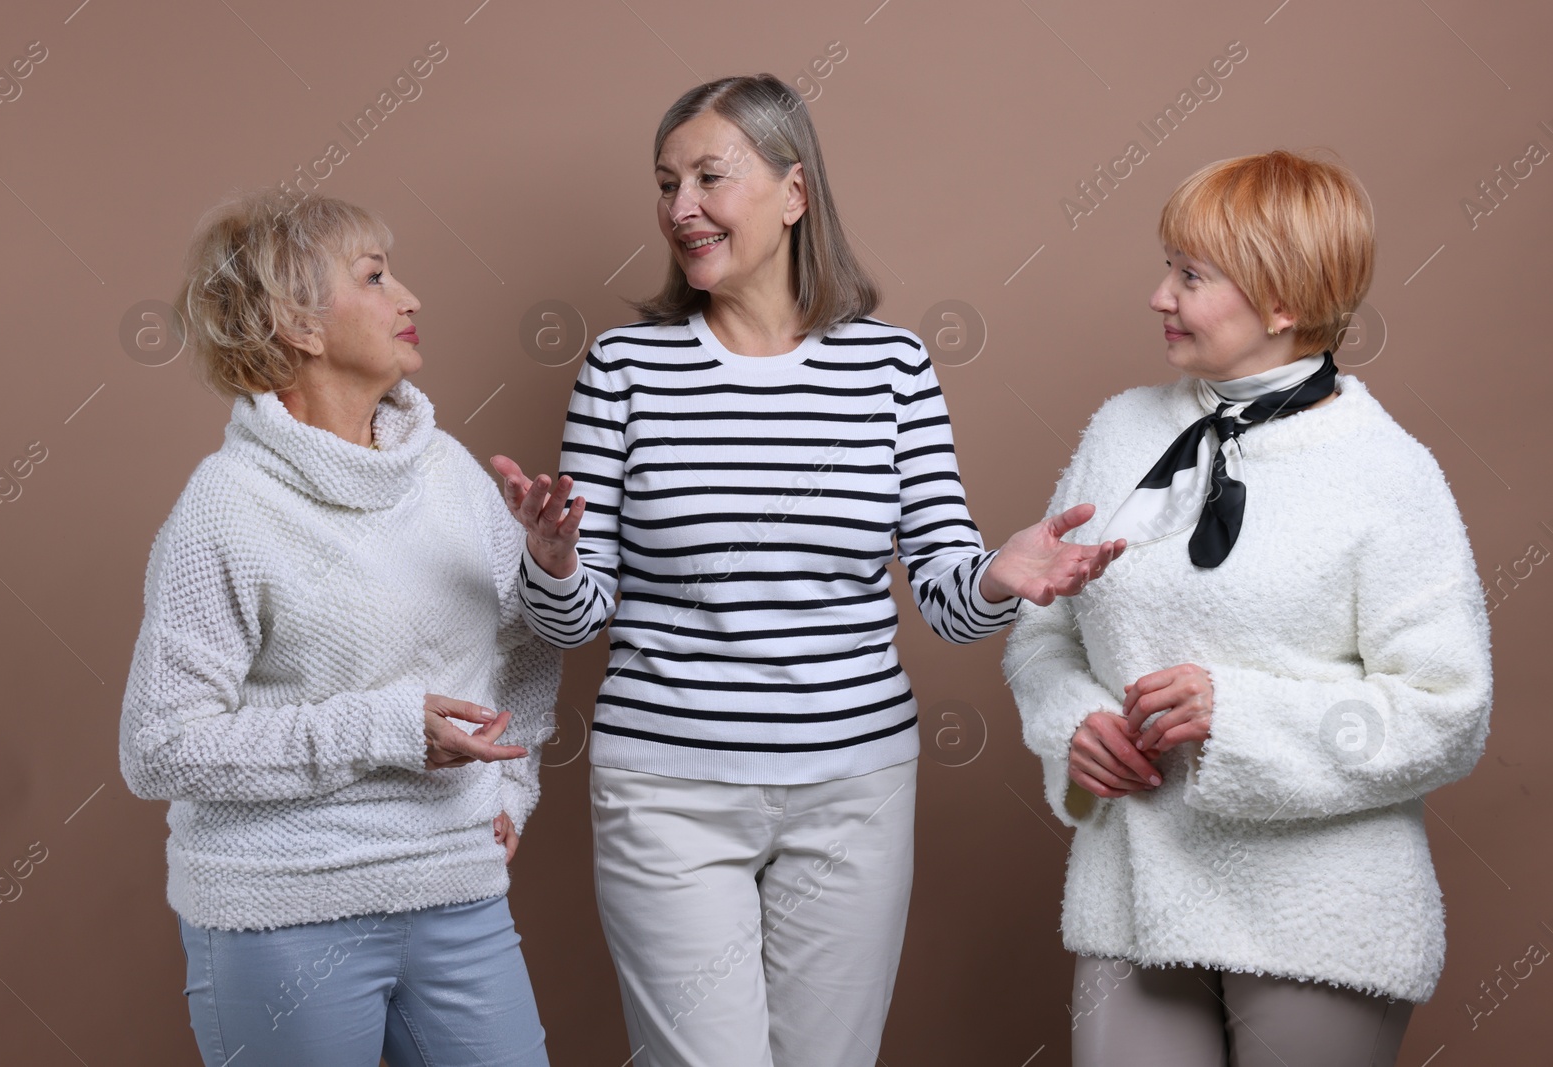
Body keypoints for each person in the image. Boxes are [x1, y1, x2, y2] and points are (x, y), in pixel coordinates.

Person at [490, 75, 1124, 1067]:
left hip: (854, 789)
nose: (680, 207)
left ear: (793, 192)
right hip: (667, 789)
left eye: (709, 176)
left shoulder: (893, 368)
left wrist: (1000, 573)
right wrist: (553, 561)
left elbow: (949, 600)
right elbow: (576, 622)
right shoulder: (623, 369)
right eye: (666, 183)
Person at [1004, 151, 1493, 1067]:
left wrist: (1237, 715)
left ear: (1282, 302)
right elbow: (1045, 632)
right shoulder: (1119, 431)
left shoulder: (1388, 473)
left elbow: (1448, 709)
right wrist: (1074, 724)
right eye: (1167, 266)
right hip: (1133, 900)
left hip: (1325, 918)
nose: (1159, 295)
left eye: (1191, 275)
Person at [119, 191, 558, 1067]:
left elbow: (524, 637)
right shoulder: (225, 509)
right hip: (280, 913)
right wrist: (388, 731)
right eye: (375, 276)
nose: (411, 298)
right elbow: (159, 746)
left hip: (456, 890)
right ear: (298, 325)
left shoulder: (447, 472)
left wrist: (515, 787)